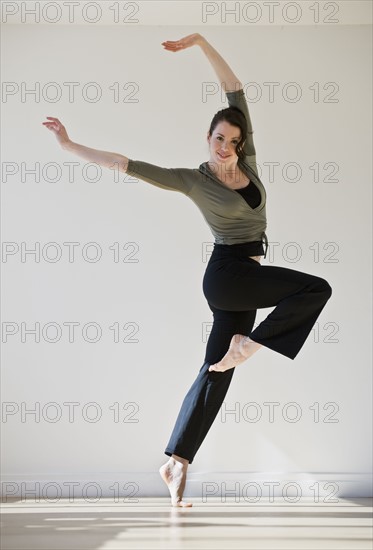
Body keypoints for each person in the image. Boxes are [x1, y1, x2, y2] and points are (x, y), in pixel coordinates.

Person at [42, 33, 332, 508]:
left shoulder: (249, 161)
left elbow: (235, 87)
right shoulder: (192, 181)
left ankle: (176, 461)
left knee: (216, 372)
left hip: (240, 280)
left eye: (234, 141)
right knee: (315, 288)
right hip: (227, 274)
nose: (226, 147)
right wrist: (70, 144)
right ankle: (251, 344)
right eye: (219, 138)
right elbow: (124, 164)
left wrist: (200, 42)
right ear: (208, 137)